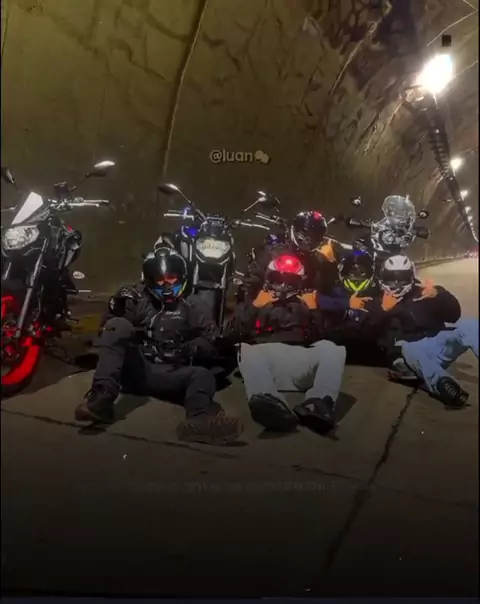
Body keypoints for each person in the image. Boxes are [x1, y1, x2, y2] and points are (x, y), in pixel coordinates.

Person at [75, 247, 242, 445]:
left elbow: (213, 339)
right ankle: (101, 399)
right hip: (137, 369)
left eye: (171, 278)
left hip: (170, 373)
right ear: (150, 280)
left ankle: (199, 420)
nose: (166, 285)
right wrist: (116, 308)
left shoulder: (193, 305)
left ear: (181, 276)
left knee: (202, 375)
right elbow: (108, 333)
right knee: (117, 325)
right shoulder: (137, 299)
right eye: (160, 279)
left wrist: (189, 348)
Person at [223, 254, 348, 434]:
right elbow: (228, 334)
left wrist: (314, 310)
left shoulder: (307, 302)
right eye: (278, 280)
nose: (282, 286)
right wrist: (255, 307)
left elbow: (330, 336)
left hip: (301, 363)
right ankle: (270, 403)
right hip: (266, 365)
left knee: (334, 349)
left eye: (289, 281)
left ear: (299, 282)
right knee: (245, 349)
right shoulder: (254, 300)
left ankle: (318, 403)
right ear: (269, 278)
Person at [375, 255, 475, 408]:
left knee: (471, 326)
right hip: (408, 355)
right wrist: (383, 311)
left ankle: (435, 378)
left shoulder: (426, 292)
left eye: (401, 279)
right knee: (409, 348)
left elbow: (455, 315)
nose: (396, 284)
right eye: (391, 278)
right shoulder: (379, 301)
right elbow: (369, 332)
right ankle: (444, 385)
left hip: (436, 346)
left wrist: (439, 295)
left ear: (410, 277)